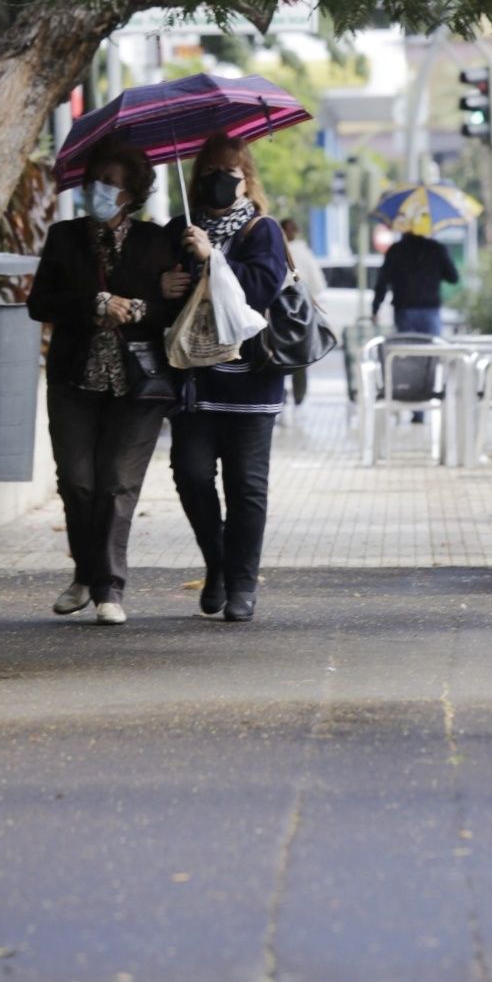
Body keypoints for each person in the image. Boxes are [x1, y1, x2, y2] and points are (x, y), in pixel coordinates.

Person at [27, 138, 176, 625]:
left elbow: (173, 309)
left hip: (137, 383)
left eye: (110, 184)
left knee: (116, 483)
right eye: (94, 182)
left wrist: (133, 308)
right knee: (77, 481)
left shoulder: (156, 242)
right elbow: (39, 304)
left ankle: (109, 587)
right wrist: (94, 304)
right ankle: (85, 575)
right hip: (75, 378)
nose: (99, 191)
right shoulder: (64, 236)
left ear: (132, 192)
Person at [163, 134, 287, 622]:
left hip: (252, 380)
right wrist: (163, 285)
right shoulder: (180, 228)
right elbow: (161, 302)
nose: (220, 181)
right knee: (191, 475)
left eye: (230, 173)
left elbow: (259, 289)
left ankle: (242, 584)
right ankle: (217, 563)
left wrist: (213, 257)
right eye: (210, 171)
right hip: (196, 381)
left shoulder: (262, 230)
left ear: (246, 180)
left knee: (246, 486)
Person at [370, 225, 459, 336]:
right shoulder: (436, 249)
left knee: (408, 349)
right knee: (433, 349)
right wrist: (433, 273)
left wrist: (375, 309)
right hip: (430, 308)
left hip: (404, 309)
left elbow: (382, 283)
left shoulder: (396, 250)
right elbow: (453, 278)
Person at [279, 217, 327, 408]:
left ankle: (284, 393)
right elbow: (317, 283)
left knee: (280, 351)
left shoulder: (274, 248)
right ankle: (299, 394)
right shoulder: (304, 253)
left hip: (280, 308)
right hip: (301, 309)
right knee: (299, 353)